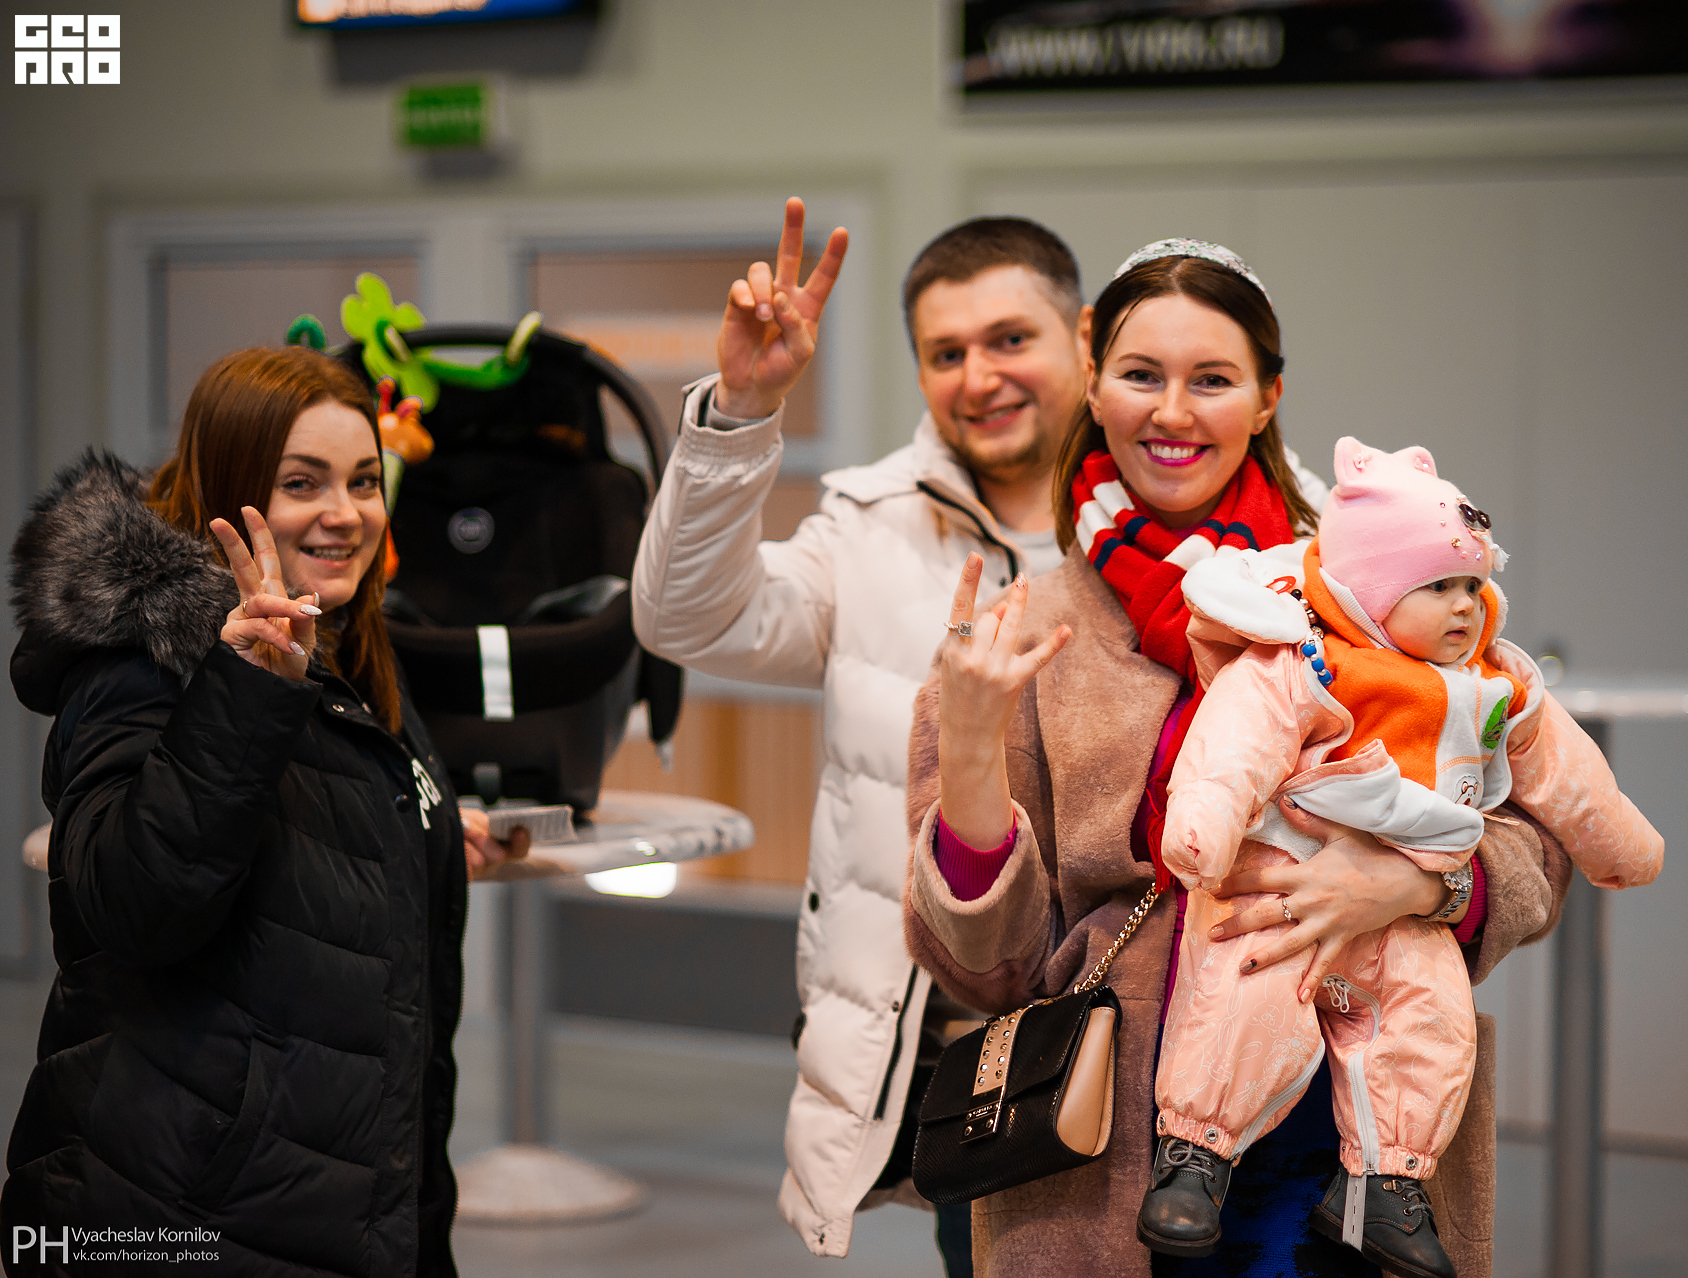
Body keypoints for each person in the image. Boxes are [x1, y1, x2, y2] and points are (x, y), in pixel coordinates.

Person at [631, 203, 1334, 1266]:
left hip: (1280, 1060)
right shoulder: (871, 527)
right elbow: (686, 618)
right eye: (945, 353)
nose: (979, 377)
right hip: (997, 1058)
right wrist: (741, 410)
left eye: (1009, 339)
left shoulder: (1294, 554)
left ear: (1085, 345)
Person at [904, 240, 1571, 1278]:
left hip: (1362, 1139)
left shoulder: (1387, 591)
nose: (1172, 412)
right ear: (1095, 385)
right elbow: (987, 970)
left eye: (1212, 379)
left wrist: (1420, 884)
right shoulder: (1020, 634)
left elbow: (1537, 839)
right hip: (1111, 1146)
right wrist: (972, 755)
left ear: (1267, 399)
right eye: (1141, 375)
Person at [3, 346, 525, 1276]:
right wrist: (243, 689)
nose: (345, 512)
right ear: (230, 490)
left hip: (335, 1203)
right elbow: (134, 903)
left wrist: (420, 826)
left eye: (363, 480)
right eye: (301, 482)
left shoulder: (348, 645)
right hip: (176, 1213)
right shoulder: (142, 663)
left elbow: (309, 820)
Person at [1144, 436, 1664, 1273]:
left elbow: (1571, 780)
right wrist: (1203, 824)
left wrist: (1622, 846)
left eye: (1474, 585)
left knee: (1432, 1020)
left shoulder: (1496, 683)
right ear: (1370, 593)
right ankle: (1196, 1153)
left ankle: (1385, 1184)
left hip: (1413, 902)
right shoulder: (1306, 656)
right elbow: (1234, 744)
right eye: (1437, 587)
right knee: (1246, 997)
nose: (1465, 607)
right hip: (1278, 889)